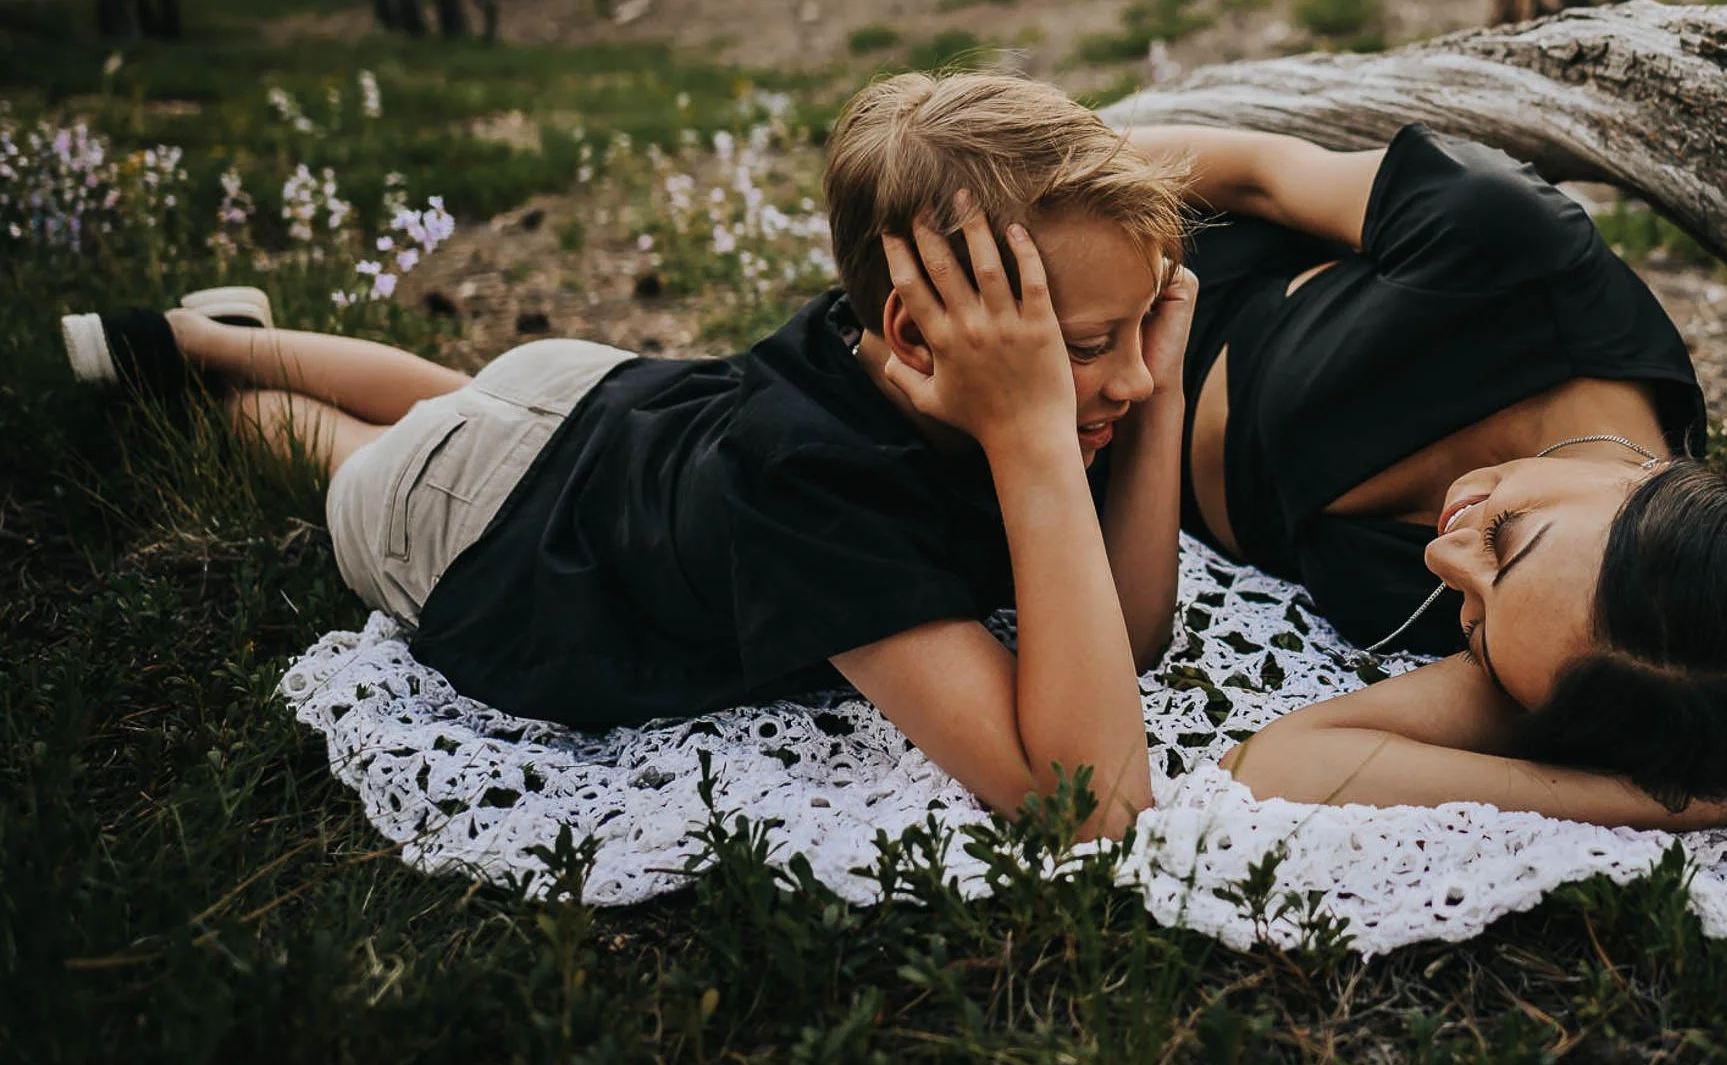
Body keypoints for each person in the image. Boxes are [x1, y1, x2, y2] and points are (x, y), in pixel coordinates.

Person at [62, 73, 1197, 841]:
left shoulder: (986, 375)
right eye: (1091, 345)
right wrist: (1036, 440)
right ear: (917, 330)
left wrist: (1159, 391)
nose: (1131, 377)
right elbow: (1089, 805)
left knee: (456, 399)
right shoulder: (821, 487)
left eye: (1137, 331)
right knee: (372, 447)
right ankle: (219, 373)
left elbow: (1129, 632)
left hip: (598, 407)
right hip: (484, 525)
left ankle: (226, 332)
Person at [1123, 122, 1727, 828]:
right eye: (1507, 535)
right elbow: (1249, 174)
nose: (1444, 559)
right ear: (1654, 481)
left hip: (1097, 470)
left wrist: (1695, 803)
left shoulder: (1569, 649)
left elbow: (1270, 769)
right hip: (1137, 290)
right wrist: (1064, 222)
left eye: (1476, 629)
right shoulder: (1507, 244)